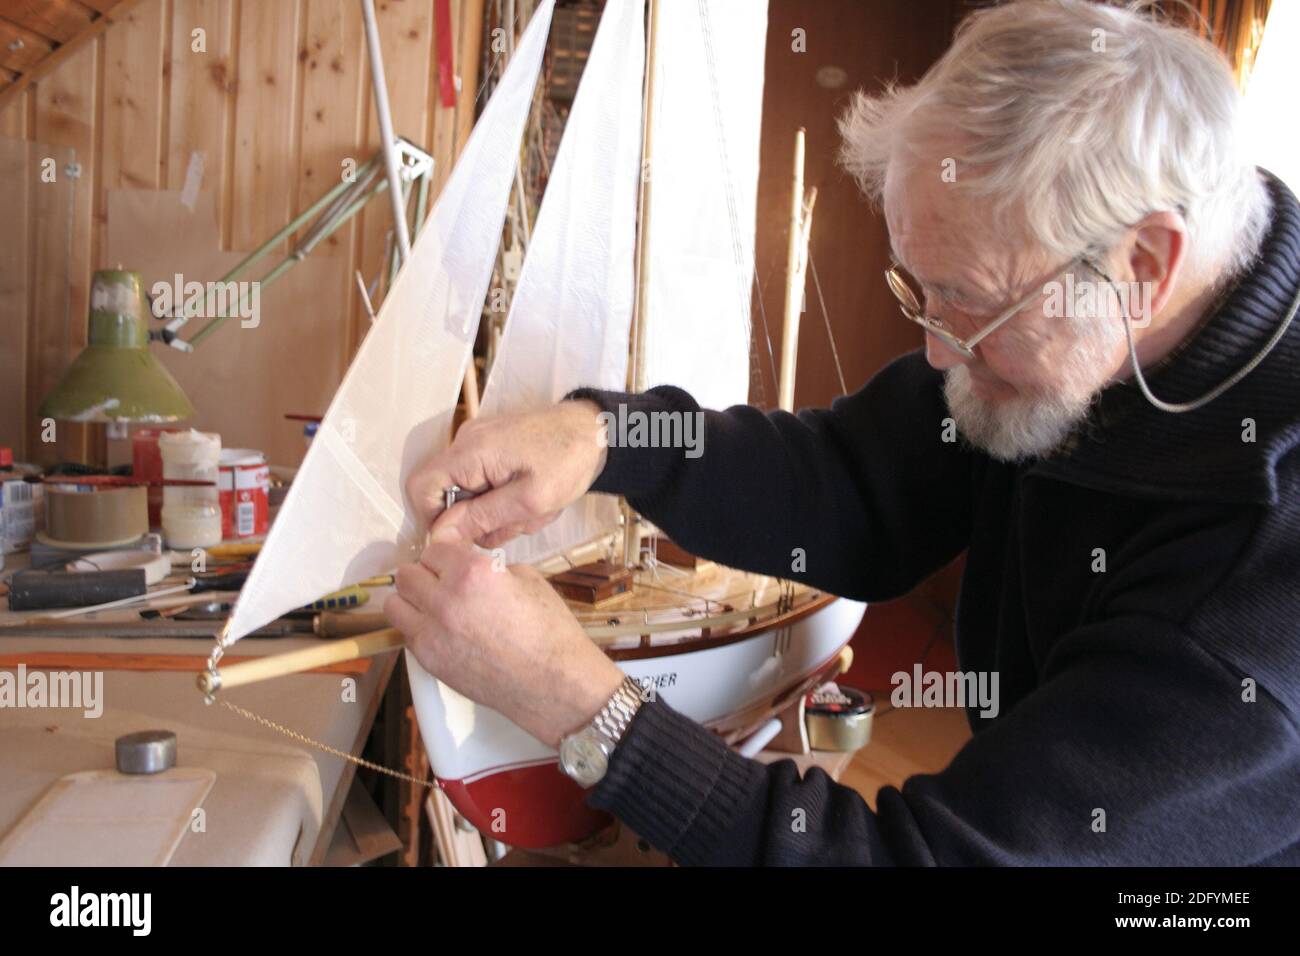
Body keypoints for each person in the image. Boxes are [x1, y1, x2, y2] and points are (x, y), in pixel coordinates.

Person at [384, 0, 1300, 864]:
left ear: (1143, 263)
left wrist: (583, 708)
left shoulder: (1248, 604)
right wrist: (606, 439)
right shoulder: (1113, 318)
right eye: (922, 293)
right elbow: (854, 481)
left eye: (970, 306)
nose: (937, 355)